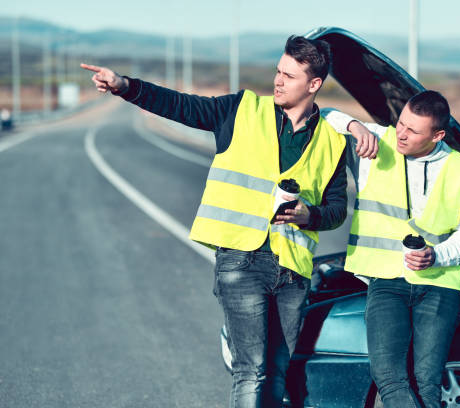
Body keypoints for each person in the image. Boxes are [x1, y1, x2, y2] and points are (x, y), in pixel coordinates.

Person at [81, 35, 374, 408]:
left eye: (289, 75)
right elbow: (181, 107)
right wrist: (127, 87)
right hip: (241, 260)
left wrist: (309, 215)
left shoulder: (332, 140)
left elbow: (335, 209)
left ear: (314, 85)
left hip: (293, 271)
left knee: (280, 370)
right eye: (278, 71)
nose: (278, 81)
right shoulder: (242, 110)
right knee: (251, 370)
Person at [322, 90, 460, 408]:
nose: (402, 133)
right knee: (388, 377)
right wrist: (356, 127)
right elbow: (325, 116)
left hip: (440, 284)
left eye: (413, 130)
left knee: (427, 383)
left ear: (437, 135)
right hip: (387, 282)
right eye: (401, 123)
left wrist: (437, 255)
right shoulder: (380, 141)